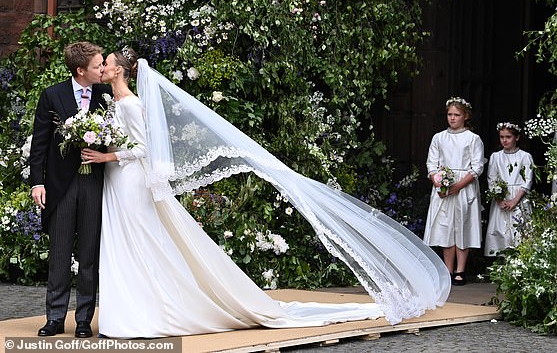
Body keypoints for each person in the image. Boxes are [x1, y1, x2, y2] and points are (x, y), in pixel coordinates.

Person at [81, 48, 451, 338]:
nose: (103, 68)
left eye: (107, 64)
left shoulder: (129, 103)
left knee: (139, 242)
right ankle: (130, 311)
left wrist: (106, 154)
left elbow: (144, 149)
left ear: (120, 71)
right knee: (125, 243)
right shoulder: (113, 103)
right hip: (117, 178)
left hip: (129, 178)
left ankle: (144, 313)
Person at [29, 42, 112, 338]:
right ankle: (54, 318)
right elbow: (39, 143)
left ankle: (84, 320)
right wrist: (37, 183)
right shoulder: (53, 95)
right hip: (60, 187)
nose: (102, 69)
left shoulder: (107, 96)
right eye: (97, 65)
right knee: (60, 255)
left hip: (94, 183)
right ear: (80, 70)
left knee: (89, 256)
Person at [423, 97, 485, 286]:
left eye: (456, 115)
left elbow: (477, 167)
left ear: (465, 116)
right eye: (450, 114)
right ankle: (447, 269)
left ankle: (461, 270)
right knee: (445, 227)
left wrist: (458, 185)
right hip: (443, 187)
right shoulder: (439, 137)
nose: (452, 118)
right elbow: (431, 164)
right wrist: (438, 183)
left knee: (462, 226)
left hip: (464, 188)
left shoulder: (473, 139)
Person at [484, 122, 533, 257]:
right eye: (501, 137)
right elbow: (492, 179)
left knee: (520, 230)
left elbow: (527, 180)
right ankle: (501, 264)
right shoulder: (496, 156)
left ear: (516, 137)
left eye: (508, 137)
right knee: (501, 230)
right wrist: (499, 199)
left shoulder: (525, 156)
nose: (504, 140)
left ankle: (519, 263)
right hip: (502, 198)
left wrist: (515, 200)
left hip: (519, 198)